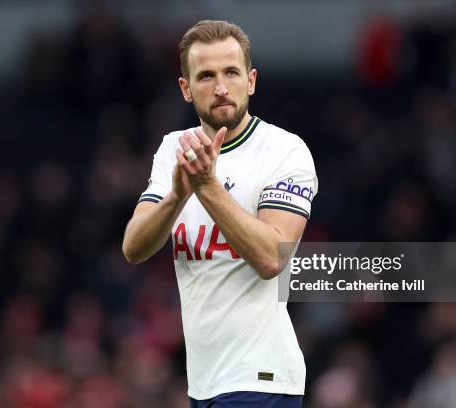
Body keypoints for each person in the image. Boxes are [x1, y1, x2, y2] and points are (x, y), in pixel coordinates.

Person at [122, 20, 317, 407]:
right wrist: (177, 195)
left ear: (251, 81)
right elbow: (134, 247)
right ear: (186, 89)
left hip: (262, 378)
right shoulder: (174, 149)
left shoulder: (284, 151)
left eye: (231, 72)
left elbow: (270, 256)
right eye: (206, 76)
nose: (221, 87)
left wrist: (207, 187)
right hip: (204, 381)